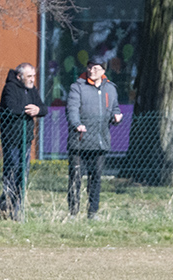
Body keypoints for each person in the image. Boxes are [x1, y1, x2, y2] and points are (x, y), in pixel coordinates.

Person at [66, 56, 123, 219]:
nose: (91, 71)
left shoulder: (111, 88)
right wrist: (77, 124)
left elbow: (115, 109)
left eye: (96, 68)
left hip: (100, 142)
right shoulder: (77, 87)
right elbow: (72, 110)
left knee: (96, 179)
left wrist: (117, 117)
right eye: (89, 67)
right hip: (79, 141)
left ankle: (93, 212)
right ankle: (73, 212)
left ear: (104, 70)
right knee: (75, 178)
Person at [0, 62, 47, 220]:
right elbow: (11, 107)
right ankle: (6, 206)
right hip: (11, 139)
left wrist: (37, 110)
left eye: (34, 76)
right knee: (12, 171)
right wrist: (28, 110)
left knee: (23, 174)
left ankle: (14, 208)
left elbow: (43, 108)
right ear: (19, 76)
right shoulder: (10, 88)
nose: (32, 79)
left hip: (26, 139)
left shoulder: (32, 89)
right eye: (29, 76)